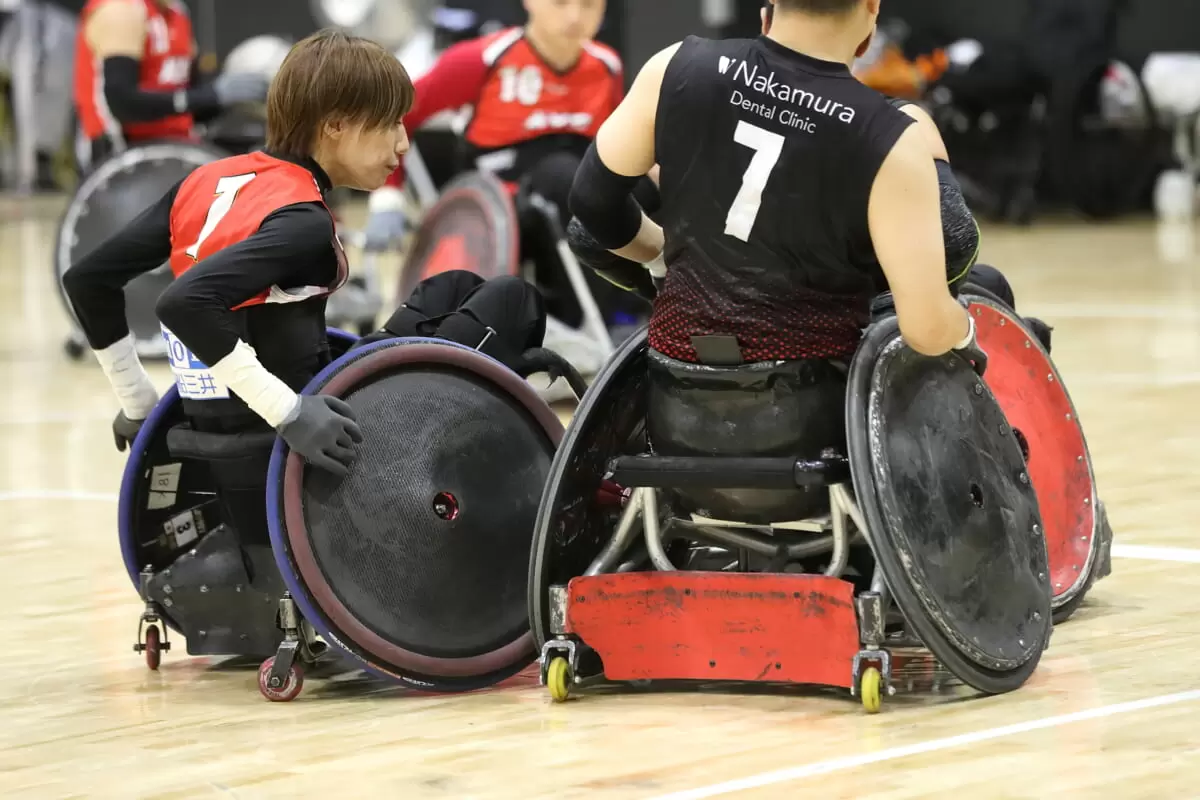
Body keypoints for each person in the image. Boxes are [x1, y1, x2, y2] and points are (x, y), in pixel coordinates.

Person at [567, 0, 986, 369]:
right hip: (817, 399)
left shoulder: (674, 64)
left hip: (676, 374)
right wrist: (967, 335)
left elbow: (591, 203)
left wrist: (664, 259)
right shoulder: (894, 134)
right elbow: (930, 323)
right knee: (978, 288)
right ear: (872, 6)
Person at [362, 0, 650, 328]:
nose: (574, 16)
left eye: (588, 4)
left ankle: (645, 314)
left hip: (574, 196)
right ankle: (591, 322)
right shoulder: (480, 58)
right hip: (499, 207)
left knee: (641, 184)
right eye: (560, 2)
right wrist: (388, 196)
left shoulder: (606, 65)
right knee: (566, 177)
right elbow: (395, 114)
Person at [72, 0, 269, 171]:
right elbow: (122, 103)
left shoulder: (177, 12)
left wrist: (230, 97)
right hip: (119, 156)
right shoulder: (121, 10)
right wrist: (211, 96)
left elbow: (191, 108)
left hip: (176, 148)